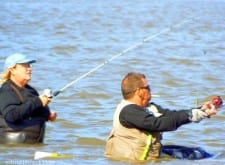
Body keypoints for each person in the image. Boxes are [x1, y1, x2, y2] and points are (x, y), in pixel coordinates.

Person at [105, 72, 218, 162]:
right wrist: (192, 114)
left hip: (153, 153)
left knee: (199, 152)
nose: (150, 89)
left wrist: (202, 110)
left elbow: (171, 115)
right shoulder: (128, 111)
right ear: (139, 91)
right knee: (199, 155)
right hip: (134, 159)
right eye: (147, 87)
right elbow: (159, 124)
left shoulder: (149, 107)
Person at [0, 53, 57, 144]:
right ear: (12, 70)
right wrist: (38, 101)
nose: (29, 69)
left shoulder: (30, 91)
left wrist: (48, 115)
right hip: (14, 149)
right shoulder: (6, 91)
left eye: (29, 65)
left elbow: (31, 110)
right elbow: (11, 115)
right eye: (24, 66)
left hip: (30, 147)